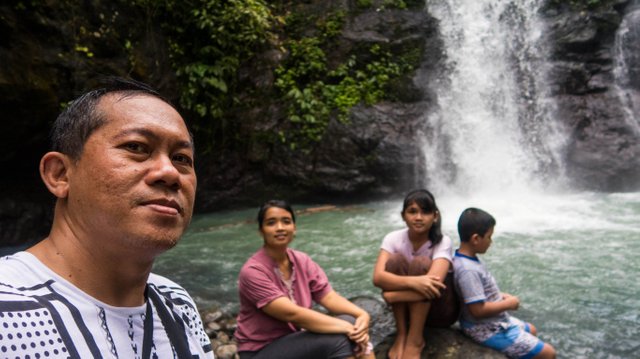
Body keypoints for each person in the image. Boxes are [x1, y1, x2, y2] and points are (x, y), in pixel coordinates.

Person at [0, 78, 214, 358]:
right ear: (60, 174)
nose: (170, 173)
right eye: (136, 147)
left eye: (181, 158)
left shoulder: (176, 302)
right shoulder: (7, 310)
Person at [234, 200, 374, 359]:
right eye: (271, 223)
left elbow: (328, 296)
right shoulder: (253, 271)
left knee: (354, 324)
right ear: (261, 230)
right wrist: (346, 328)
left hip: (294, 340)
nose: (280, 228)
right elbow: (292, 314)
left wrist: (362, 315)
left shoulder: (302, 260)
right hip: (261, 350)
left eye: (286, 221)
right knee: (340, 339)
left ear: (294, 227)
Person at [453, 207, 556, 359]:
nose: (491, 242)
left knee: (532, 330)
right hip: (486, 328)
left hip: (495, 322)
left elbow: (474, 292)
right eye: (489, 237)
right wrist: (509, 304)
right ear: (475, 239)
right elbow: (477, 310)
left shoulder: (465, 259)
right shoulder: (468, 271)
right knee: (549, 353)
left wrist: (501, 295)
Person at [372, 189, 459, 359]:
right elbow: (378, 277)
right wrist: (414, 282)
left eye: (425, 212)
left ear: (435, 216)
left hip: (440, 310)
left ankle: (415, 339)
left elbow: (434, 285)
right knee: (395, 260)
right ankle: (402, 333)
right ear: (403, 215)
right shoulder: (392, 238)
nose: (418, 217)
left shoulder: (443, 241)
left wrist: (393, 296)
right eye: (412, 212)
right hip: (408, 312)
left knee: (421, 263)